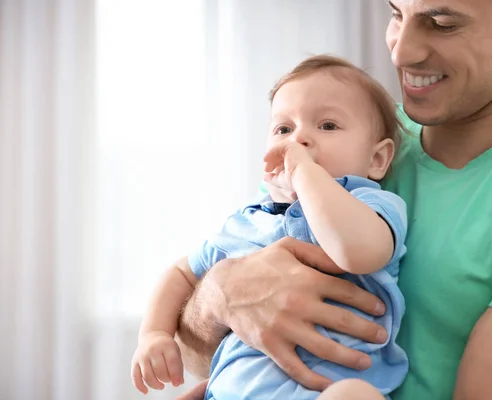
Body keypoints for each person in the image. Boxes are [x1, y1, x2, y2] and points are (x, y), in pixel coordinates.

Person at [175, 0, 492, 399]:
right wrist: (220, 293)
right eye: (397, 13)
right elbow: (195, 355)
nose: (401, 52)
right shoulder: (345, 131)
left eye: (442, 23)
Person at [131, 55, 411, 399]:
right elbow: (180, 272)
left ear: (377, 159)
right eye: (284, 129)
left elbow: (357, 252)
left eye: (327, 126)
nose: (299, 140)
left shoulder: (369, 204)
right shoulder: (247, 221)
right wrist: (154, 334)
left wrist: (306, 174)